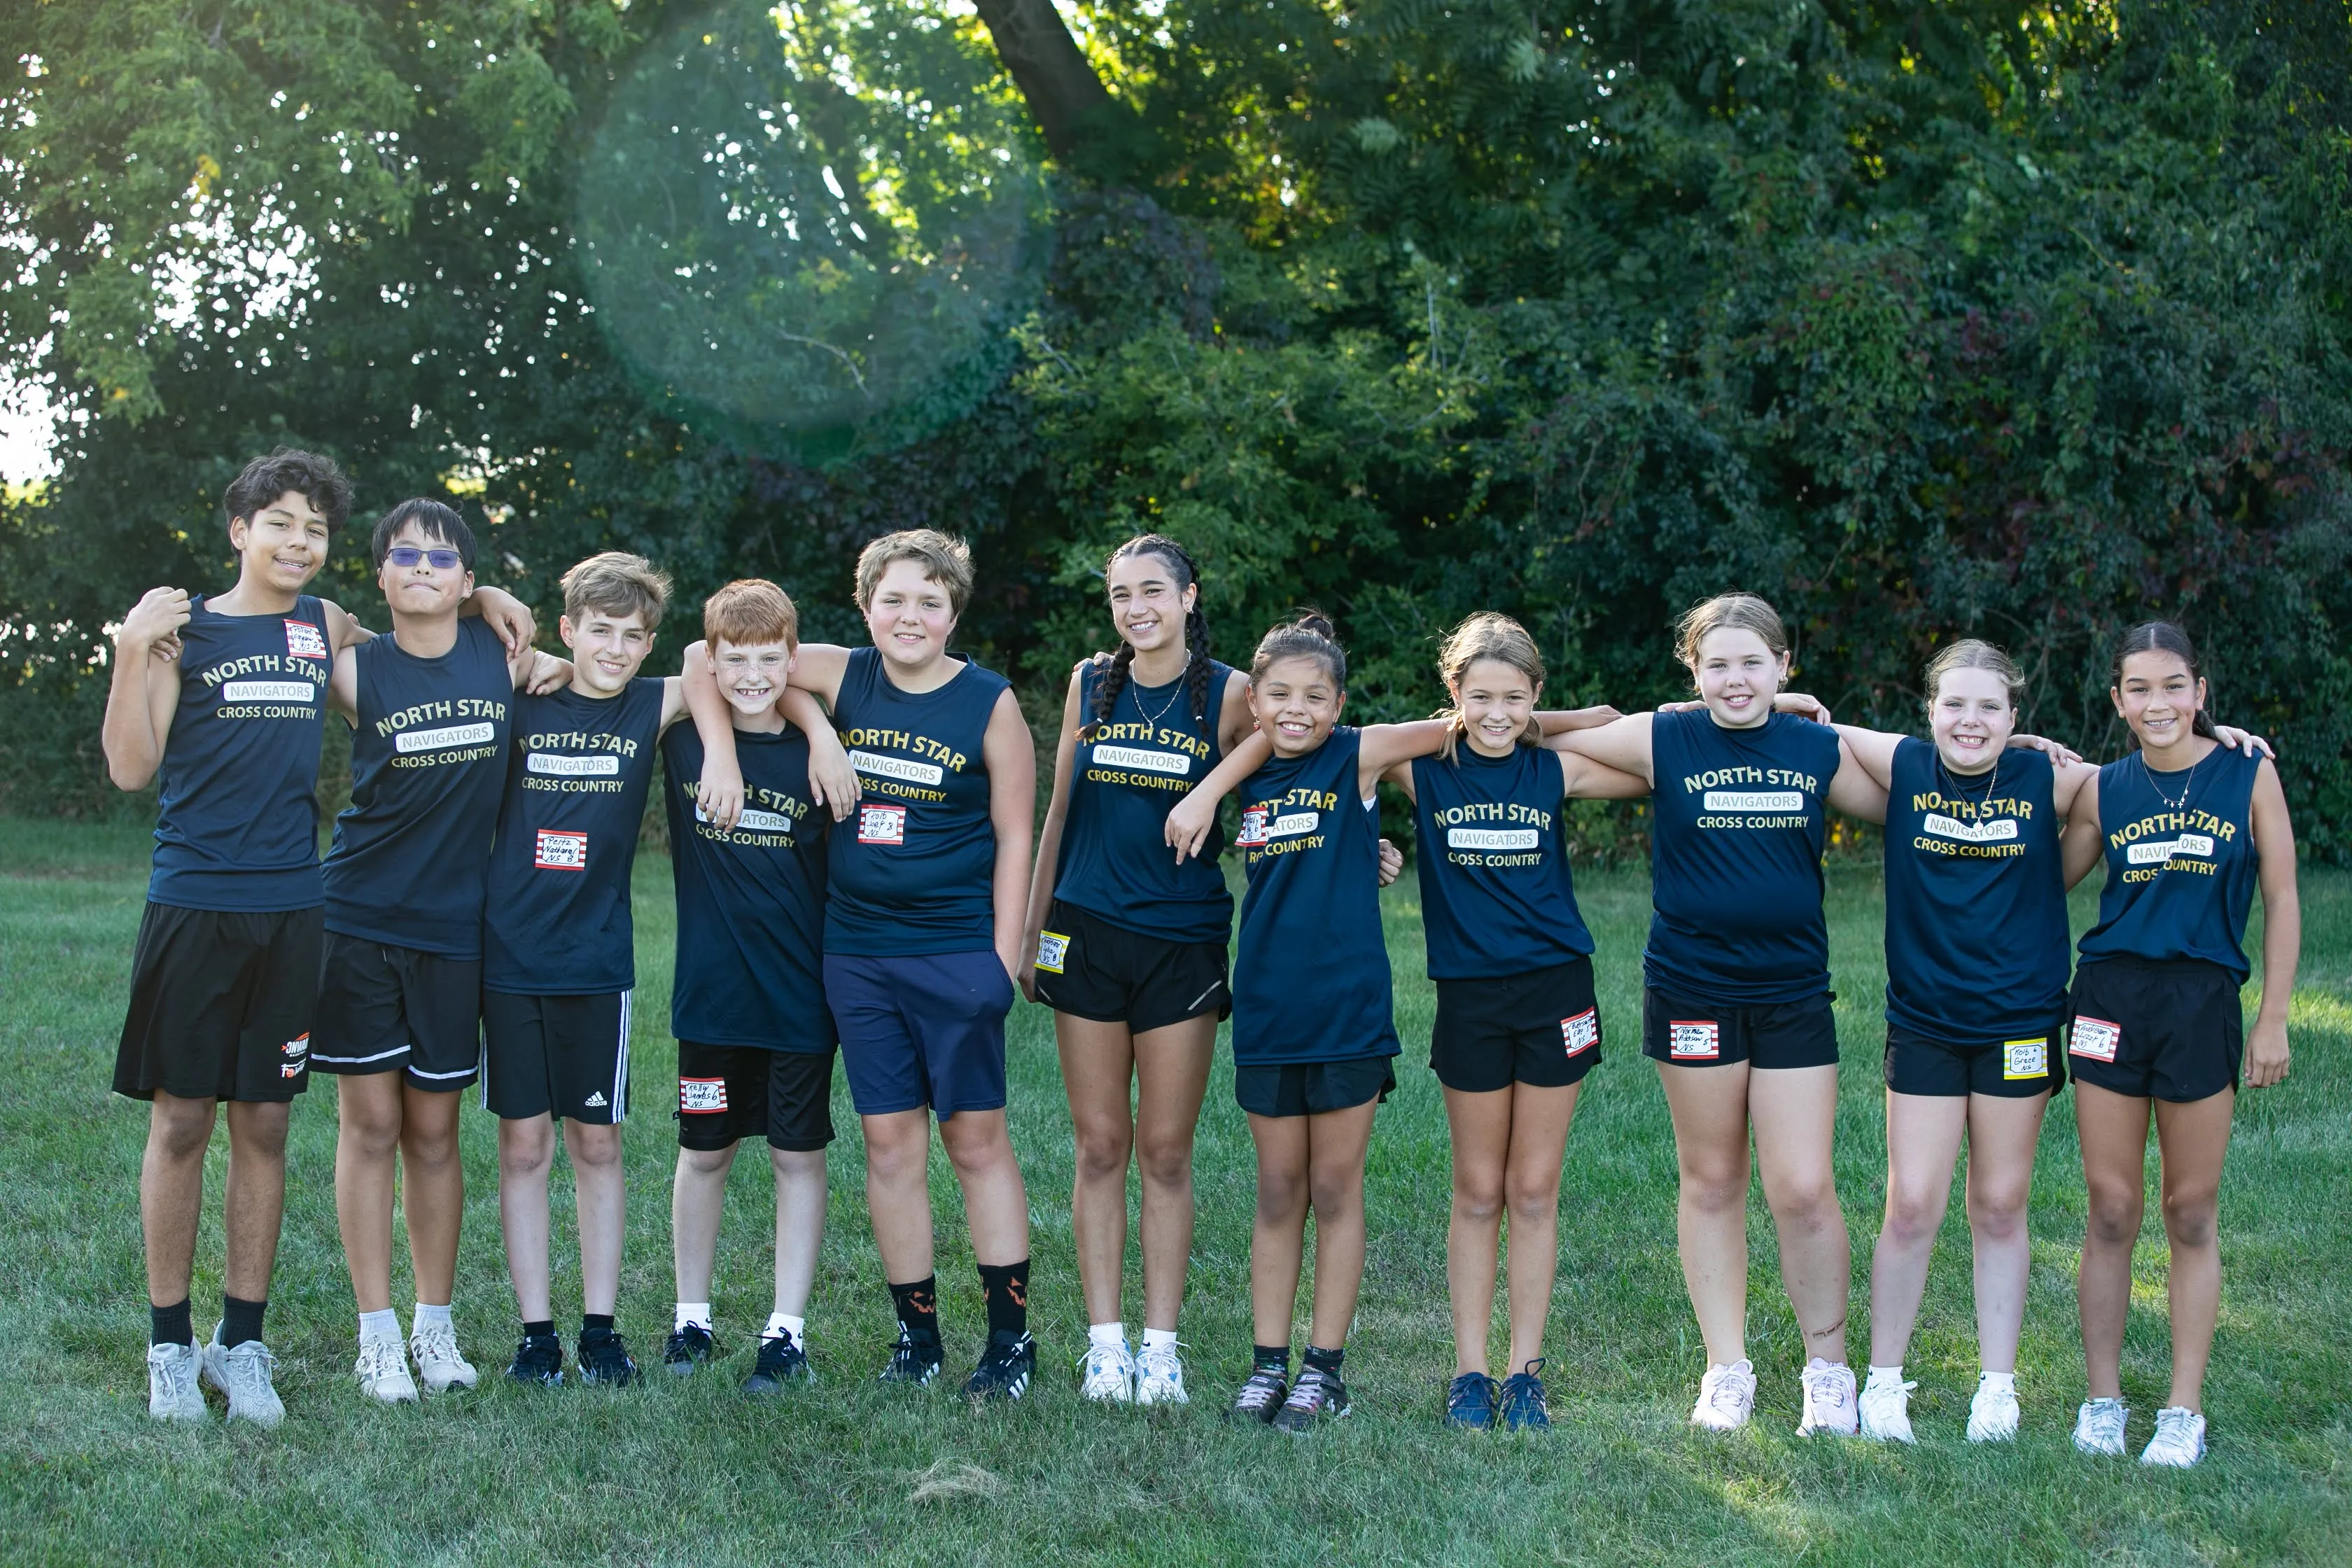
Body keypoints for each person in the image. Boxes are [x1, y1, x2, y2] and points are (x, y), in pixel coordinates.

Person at [1825, 640, 2269, 1443]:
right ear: (1928, 712)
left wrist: (2212, 734)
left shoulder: (2054, 779)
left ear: (2017, 717)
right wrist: (1789, 703)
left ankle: (1998, 1388)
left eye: (1990, 706)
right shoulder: (1906, 769)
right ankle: (1882, 1383)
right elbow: (1831, 736)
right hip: (1924, 1019)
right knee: (1913, 1200)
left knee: (2000, 1203)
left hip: (2020, 1022)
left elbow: (2152, 770)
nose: (1970, 720)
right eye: (1954, 704)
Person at [691, 528, 1039, 1400]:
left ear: (954, 610)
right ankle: (917, 1336)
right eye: (894, 598)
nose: (910, 615)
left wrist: (1003, 959)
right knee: (890, 1146)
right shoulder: (847, 672)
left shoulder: (988, 701)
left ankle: (1009, 1341)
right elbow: (711, 655)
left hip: (957, 949)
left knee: (975, 1140)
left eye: (930, 600)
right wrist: (810, 729)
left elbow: (1015, 834)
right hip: (856, 952)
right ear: (866, 606)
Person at [1553, 593, 1886, 1436]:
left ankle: (1828, 1370)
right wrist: (1639, 712)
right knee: (1711, 1179)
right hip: (1692, 988)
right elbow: (1521, 733)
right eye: (1717, 664)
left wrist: (2022, 754)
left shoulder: (1816, 746)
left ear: (1784, 665)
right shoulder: (1663, 736)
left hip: (1792, 992)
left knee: (1804, 1187)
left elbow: (1916, 790)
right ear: (1691, 671)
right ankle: (1726, 1368)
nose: (1735, 679)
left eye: (1752, 662)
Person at [101, 449, 366, 1427]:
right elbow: (132, 768)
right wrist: (134, 650)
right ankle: (169, 1345)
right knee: (181, 1123)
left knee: (265, 1124)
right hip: (195, 905)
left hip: (296, 909)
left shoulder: (323, 626)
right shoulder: (184, 632)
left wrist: (491, 603)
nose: (301, 542)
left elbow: (414, 660)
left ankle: (241, 1343)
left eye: (317, 529)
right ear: (239, 530)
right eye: (283, 522)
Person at [1165, 613, 1460, 1434]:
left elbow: (1462, 723)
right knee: (1276, 1189)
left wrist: (1583, 721)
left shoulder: (1355, 756)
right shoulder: (1248, 774)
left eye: (1315, 696)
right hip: (1266, 1003)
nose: (1296, 710)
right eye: (1279, 695)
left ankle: (1323, 1369)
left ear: (1339, 704)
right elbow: (1261, 755)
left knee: (1334, 1187)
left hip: (1346, 1010)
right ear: (1253, 700)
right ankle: (1269, 1363)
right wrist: (1217, 782)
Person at [1378, 614, 1642, 1431]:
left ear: (1537, 697)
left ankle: (1526, 1371)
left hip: (1555, 991)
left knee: (1532, 1189)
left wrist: (1548, 726)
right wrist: (1485, 721)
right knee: (1478, 1188)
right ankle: (1470, 1370)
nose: (1497, 713)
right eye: (1479, 696)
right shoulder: (1422, 771)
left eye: (1516, 698)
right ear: (1451, 694)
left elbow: (1648, 743)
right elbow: (1345, 734)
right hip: (1470, 996)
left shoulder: (1555, 771)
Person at [315, 499, 552, 1404]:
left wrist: (487, 599)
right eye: (404, 555)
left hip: (458, 930)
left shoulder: (501, 655)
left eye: (445, 558)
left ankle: (433, 1325)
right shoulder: (353, 669)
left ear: (466, 577)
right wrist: (476, 588)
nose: (423, 567)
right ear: (377, 575)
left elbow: (583, 670)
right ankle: (375, 1334)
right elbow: (309, 620)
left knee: (436, 1130)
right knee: (370, 1126)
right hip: (361, 919)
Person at [2060, 622, 2298, 1468]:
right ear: (2118, 700)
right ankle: (2102, 1400)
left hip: (2202, 1001)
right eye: (2139, 688)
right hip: (2111, 998)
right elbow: (2048, 875)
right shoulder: (2106, 788)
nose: (2156, 703)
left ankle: (2182, 1410)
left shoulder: (2247, 771)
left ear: (2200, 690)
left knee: (2190, 1210)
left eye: (2173, 685)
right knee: (2113, 1205)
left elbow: (2282, 893)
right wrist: (2035, 757)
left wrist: (2272, 1018)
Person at [1019, 535, 1244, 1405]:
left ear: (1190, 596)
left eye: (1153, 590)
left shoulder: (1228, 692)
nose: (1136, 607)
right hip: (1083, 932)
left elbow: (1305, 740)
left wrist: (1211, 786)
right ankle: (1106, 1344)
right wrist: (1033, 929)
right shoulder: (1091, 682)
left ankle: (1162, 1347)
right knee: (1102, 1142)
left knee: (1165, 1149)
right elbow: (1059, 814)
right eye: (1120, 594)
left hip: (1180, 941)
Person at [481, 552, 693, 1388]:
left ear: (648, 646)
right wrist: (502, 609)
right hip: (510, 953)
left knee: (596, 1143)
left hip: (595, 963)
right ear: (567, 627)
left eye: (631, 635)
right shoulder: (521, 694)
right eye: (596, 631)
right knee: (524, 1146)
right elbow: (440, 636)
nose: (613, 646)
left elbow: (727, 662)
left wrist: (807, 733)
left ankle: (600, 1330)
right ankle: (537, 1335)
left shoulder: (651, 702)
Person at [659, 580, 841, 1396]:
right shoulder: (687, 739)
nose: (753, 673)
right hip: (712, 994)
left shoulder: (820, 751)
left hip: (800, 998)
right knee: (704, 1153)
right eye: (740, 659)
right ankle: (690, 1315)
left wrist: (820, 729)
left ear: (794, 658)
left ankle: (786, 1328)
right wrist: (722, 750)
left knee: (798, 1158)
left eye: (773, 658)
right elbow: (693, 658)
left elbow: (753, 670)